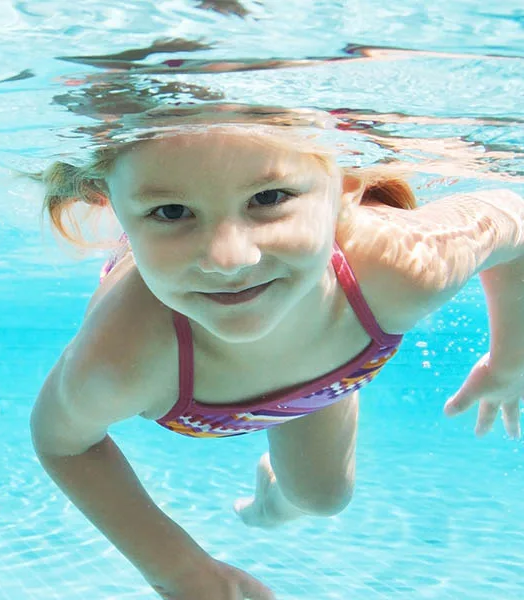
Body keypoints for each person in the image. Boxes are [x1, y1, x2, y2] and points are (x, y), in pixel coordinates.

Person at [30, 116, 524, 600]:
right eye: (172, 211)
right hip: (313, 357)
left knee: (322, 498)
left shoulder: (400, 268)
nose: (229, 259)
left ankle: (273, 502)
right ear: (113, 205)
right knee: (324, 496)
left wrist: (511, 359)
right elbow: (63, 443)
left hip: (330, 366)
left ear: (347, 183)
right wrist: (180, 571)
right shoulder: (124, 355)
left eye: (268, 198)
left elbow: (513, 218)